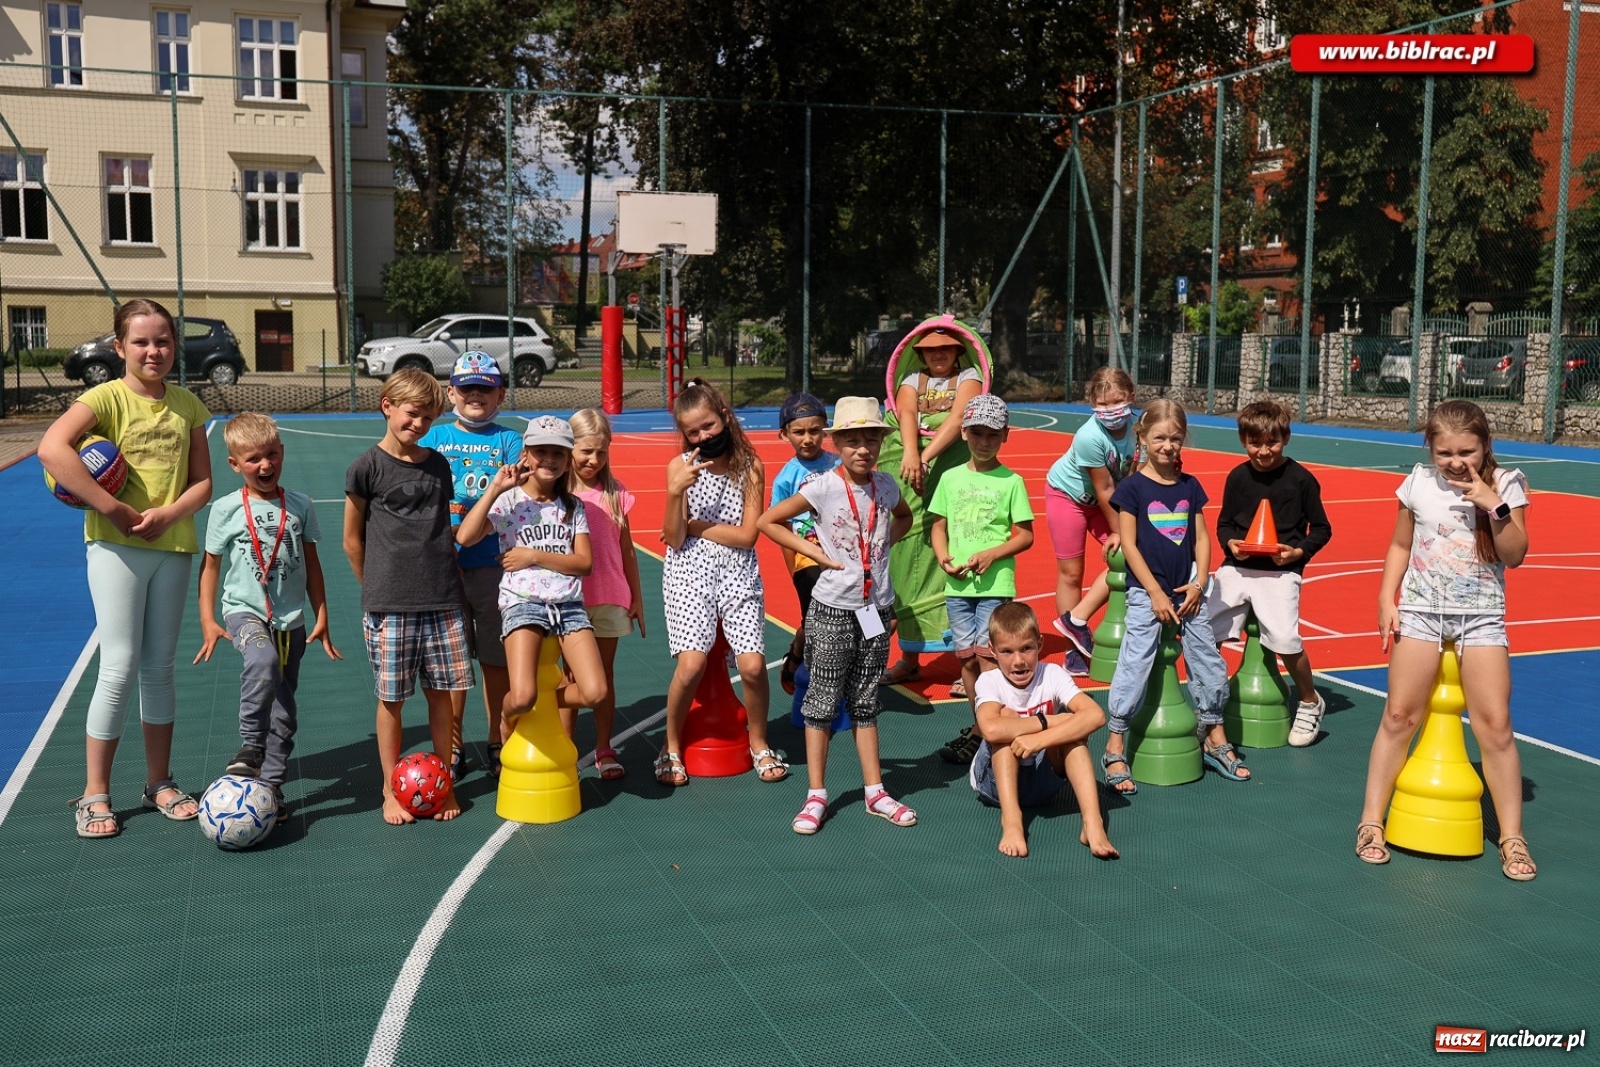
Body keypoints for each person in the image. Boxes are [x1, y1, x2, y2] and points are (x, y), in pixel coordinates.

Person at [40, 299, 213, 838]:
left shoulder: (188, 406)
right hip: (115, 548)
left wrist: (170, 513)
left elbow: (203, 483)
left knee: (159, 667)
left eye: (162, 340)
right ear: (120, 348)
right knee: (118, 663)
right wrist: (110, 506)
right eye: (140, 342)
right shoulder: (105, 397)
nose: (153, 350)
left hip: (174, 545)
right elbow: (51, 449)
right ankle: (94, 794)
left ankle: (159, 782)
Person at [1356, 400, 1534, 880]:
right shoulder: (1417, 483)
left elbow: (1515, 554)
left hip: (1481, 618)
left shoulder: (1507, 484)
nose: (1456, 462)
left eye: (1467, 452)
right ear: (1430, 448)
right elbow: (1400, 543)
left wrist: (1490, 503)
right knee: (1398, 716)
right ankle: (1371, 821)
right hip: (1419, 613)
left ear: (1485, 445)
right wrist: (1385, 598)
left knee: (1494, 726)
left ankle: (1512, 838)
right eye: (1445, 452)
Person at [758, 397, 916, 834]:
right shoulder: (822, 486)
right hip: (831, 609)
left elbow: (900, 518)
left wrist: (883, 549)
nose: (862, 448)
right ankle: (816, 794)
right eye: (852, 441)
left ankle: (875, 791)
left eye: (871, 440)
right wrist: (810, 551)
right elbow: (769, 522)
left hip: (876, 609)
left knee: (865, 699)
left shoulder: (885, 486)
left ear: (881, 444)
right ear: (838, 443)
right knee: (822, 701)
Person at [343, 369, 473, 824]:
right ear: (388, 406)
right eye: (411, 414)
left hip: (443, 600)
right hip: (390, 605)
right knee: (392, 701)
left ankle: (445, 784)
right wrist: (376, 587)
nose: (417, 424)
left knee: (442, 696)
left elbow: (441, 530)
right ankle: (389, 789)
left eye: (427, 417)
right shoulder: (366, 467)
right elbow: (352, 541)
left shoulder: (438, 465)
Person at [194, 413, 341, 815]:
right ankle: (250, 746)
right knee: (262, 660)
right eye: (254, 458)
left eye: (272, 455)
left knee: (284, 706)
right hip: (245, 612)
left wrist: (322, 614)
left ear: (282, 453)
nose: (265, 465)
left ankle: (272, 787)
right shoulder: (225, 510)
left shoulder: (300, 505)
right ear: (235, 464)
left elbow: (312, 565)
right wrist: (208, 620)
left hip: (291, 619)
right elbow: (210, 567)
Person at [1101, 400, 1245, 794]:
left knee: (1211, 665)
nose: (1168, 445)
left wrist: (1200, 583)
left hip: (1189, 595)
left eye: (1175, 439)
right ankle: (1115, 743)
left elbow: (1201, 538)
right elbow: (1128, 545)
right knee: (1135, 663)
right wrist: (1153, 593)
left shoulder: (1190, 486)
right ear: (1143, 438)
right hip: (1146, 594)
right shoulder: (1131, 489)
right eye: (1159, 438)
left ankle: (1214, 736)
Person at [657, 379, 787, 787]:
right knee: (692, 662)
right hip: (688, 571)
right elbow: (674, 538)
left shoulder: (750, 467)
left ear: (725, 417)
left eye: (709, 426)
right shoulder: (679, 466)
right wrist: (676, 494)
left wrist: (696, 524)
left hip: (737, 571)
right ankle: (671, 745)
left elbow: (748, 536)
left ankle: (759, 740)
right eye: (692, 431)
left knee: (751, 665)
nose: (702, 436)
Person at [457, 416, 609, 764]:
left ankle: (542, 707)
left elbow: (584, 563)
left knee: (594, 691)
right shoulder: (510, 503)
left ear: (567, 457)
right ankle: (504, 719)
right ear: (526, 453)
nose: (549, 459)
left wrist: (532, 555)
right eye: (541, 451)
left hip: (568, 606)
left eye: (558, 452)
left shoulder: (573, 507)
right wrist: (494, 489)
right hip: (522, 604)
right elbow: (465, 538)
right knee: (522, 697)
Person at [419, 351, 524, 781]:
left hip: (492, 565)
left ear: (500, 393)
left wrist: (474, 531)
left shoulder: (510, 441)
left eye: (485, 387)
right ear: (451, 394)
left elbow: (516, 500)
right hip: (443, 568)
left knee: (495, 658)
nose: (476, 395)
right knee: (452, 663)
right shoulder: (433, 439)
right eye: (467, 388)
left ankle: (499, 740)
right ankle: (454, 745)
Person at [1206, 399, 1332, 747]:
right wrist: (1230, 543)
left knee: (1284, 638)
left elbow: (1321, 529)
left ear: (1286, 438)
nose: (1264, 451)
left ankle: (1309, 700)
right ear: (1243, 440)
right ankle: (1210, 708)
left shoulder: (1302, 479)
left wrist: (1298, 552)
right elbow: (1225, 523)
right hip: (1238, 567)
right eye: (1255, 443)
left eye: (1272, 442)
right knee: (1205, 633)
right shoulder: (1236, 476)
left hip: (1281, 572)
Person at [877, 320, 988, 688]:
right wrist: (911, 452)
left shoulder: (969, 376)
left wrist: (924, 458)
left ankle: (965, 664)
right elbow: (906, 414)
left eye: (945, 348)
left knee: (953, 562)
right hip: (911, 477)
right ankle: (909, 658)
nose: (938, 354)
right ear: (919, 352)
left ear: (958, 350)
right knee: (907, 568)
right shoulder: (911, 380)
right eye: (930, 349)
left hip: (952, 473)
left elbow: (958, 419)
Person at [928, 394, 1035, 765]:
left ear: (1005, 435)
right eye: (977, 433)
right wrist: (943, 557)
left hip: (995, 587)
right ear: (963, 433)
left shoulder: (1012, 482)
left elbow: (1025, 535)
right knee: (968, 661)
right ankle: (982, 724)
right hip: (957, 588)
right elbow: (937, 528)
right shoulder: (949, 478)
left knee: (990, 661)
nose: (984, 441)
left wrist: (992, 554)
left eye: (992, 434)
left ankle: (990, 733)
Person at [972, 603, 1116, 859]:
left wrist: (1039, 740)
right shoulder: (989, 680)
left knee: (1074, 737)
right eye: (1007, 652)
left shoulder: (1053, 674)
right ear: (993, 652)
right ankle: (1012, 819)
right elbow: (991, 729)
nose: (1018, 661)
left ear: (1039, 645)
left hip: (1042, 778)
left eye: (1026, 648)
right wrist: (1048, 721)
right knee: (1006, 719)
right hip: (994, 783)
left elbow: (1096, 715)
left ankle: (1092, 824)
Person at [565, 408, 646, 780]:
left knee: (604, 677)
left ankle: (603, 746)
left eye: (601, 453)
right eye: (585, 452)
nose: (593, 460)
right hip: (570, 600)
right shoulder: (559, 494)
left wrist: (637, 598)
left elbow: (627, 550)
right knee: (569, 679)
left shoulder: (616, 494)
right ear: (569, 448)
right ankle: (565, 750)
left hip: (611, 596)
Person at [1044, 367, 1139, 675]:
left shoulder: (1139, 431)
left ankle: (1077, 619)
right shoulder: (1088, 436)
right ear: (1093, 405)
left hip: (1104, 503)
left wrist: (1128, 526)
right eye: (1103, 405)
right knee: (1071, 573)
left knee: (1127, 557)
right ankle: (1075, 649)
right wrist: (1119, 529)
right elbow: (1105, 487)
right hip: (1068, 496)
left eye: (1117, 401)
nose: (1111, 410)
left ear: (1131, 396)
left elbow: (1133, 478)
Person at [768, 392, 839, 694]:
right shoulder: (787, 477)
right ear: (785, 434)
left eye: (815, 430)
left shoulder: (839, 463)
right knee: (819, 621)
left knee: (867, 618)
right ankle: (807, 662)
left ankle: (802, 647)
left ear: (826, 428)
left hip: (843, 554)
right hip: (808, 559)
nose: (808, 438)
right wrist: (794, 564)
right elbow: (780, 523)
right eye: (799, 432)